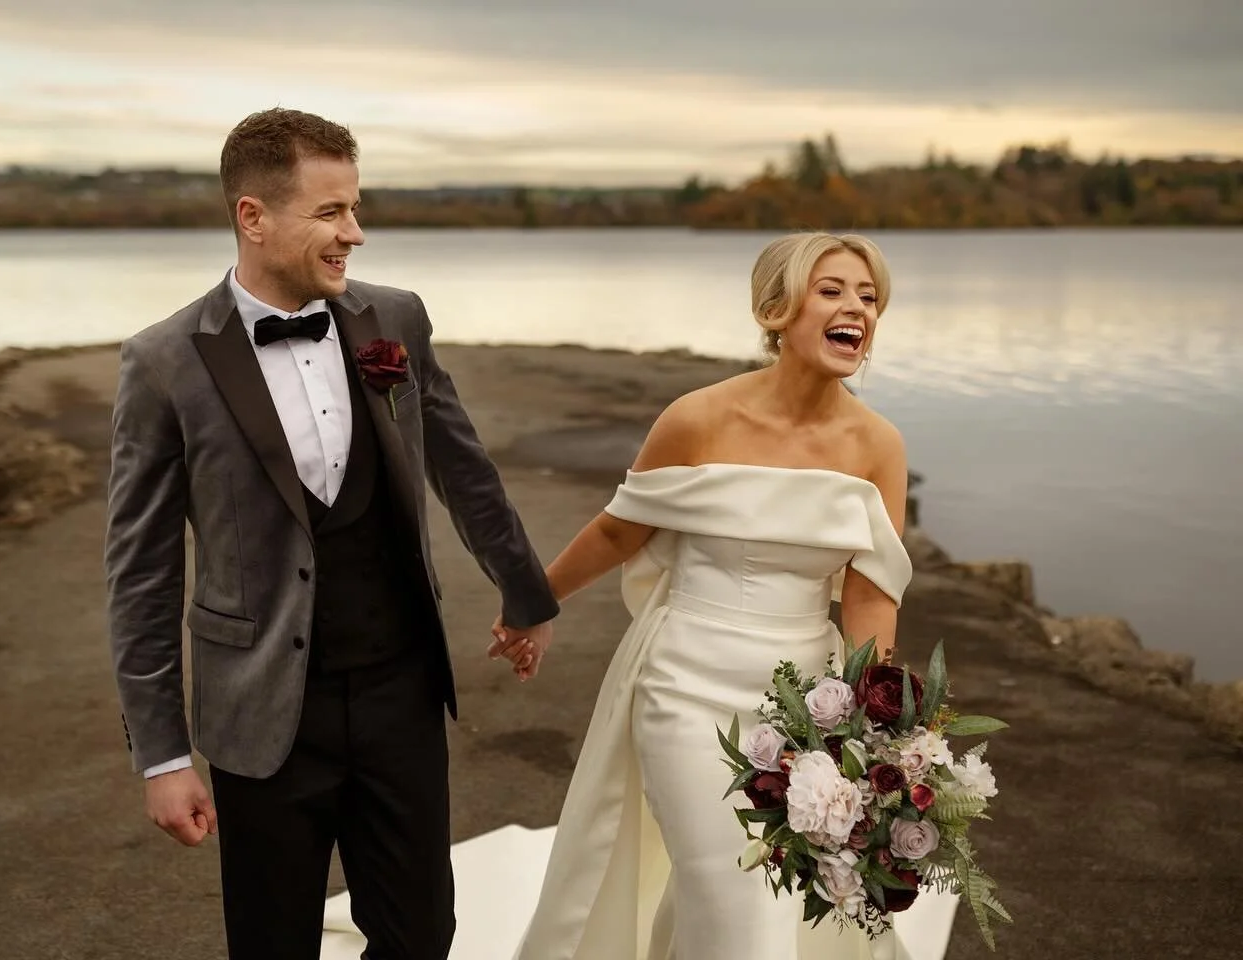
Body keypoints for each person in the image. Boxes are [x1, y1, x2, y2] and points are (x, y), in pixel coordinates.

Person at [103, 107, 558, 960]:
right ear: (253, 217)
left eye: (355, 207)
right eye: (331, 212)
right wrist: (162, 756)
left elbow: (463, 469)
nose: (355, 232)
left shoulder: (396, 319)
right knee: (272, 943)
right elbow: (142, 575)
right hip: (263, 716)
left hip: (400, 694)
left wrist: (525, 593)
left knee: (422, 936)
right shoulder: (164, 361)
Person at [490, 232, 958, 959]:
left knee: (772, 898)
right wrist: (533, 603)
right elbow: (618, 531)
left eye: (869, 298)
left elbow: (871, 595)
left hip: (804, 704)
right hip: (684, 686)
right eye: (832, 291)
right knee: (726, 887)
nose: (857, 310)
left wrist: (874, 724)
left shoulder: (879, 446)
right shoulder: (697, 419)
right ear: (776, 311)